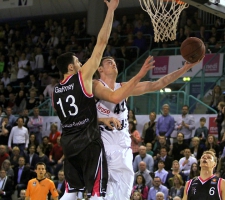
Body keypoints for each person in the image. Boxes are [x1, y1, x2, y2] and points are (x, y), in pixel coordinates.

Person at [52, 0, 151, 199]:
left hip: (68, 143)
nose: (81, 64)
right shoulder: (82, 77)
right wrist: (111, 11)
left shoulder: (55, 92)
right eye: (78, 62)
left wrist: (103, 120)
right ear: (71, 68)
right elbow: (101, 43)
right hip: (88, 143)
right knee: (98, 191)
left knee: (71, 192)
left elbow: (74, 117)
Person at [95, 54, 201, 200]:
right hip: (104, 145)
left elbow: (157, 84)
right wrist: (139, 75)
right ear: (100, 68)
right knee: (104, 193)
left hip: (123, 147)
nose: (113, 64)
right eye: (108, 62)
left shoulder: (125, 87)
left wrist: (185, 68)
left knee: (123, 196)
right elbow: (113, 97)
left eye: (114, 62)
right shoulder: (95, 85)